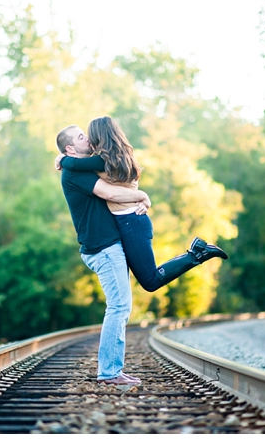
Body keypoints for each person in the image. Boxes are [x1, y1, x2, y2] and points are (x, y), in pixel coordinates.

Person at [56, 116, 228, 294]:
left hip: (132, 222)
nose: (88, 139)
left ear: (100, 136)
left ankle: (198, 254)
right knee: (148, 280)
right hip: (127, 222)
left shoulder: (103, 160)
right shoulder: (117, 155)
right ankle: (197, 252)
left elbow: (75, 164)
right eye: (82, 137)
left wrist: (62, 160)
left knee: (150, 281)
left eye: (88, 135)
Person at [55, 124, 150, 386]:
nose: (89, 138)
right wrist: (141, 195)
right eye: (82, 137)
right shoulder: (74, 173)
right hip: (103, 247)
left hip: (107, 245)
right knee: (119, 306)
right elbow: (108, 193)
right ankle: (109, 372)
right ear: (71, 148)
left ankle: (113, 370)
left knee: (121, 306)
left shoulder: (83, 166)